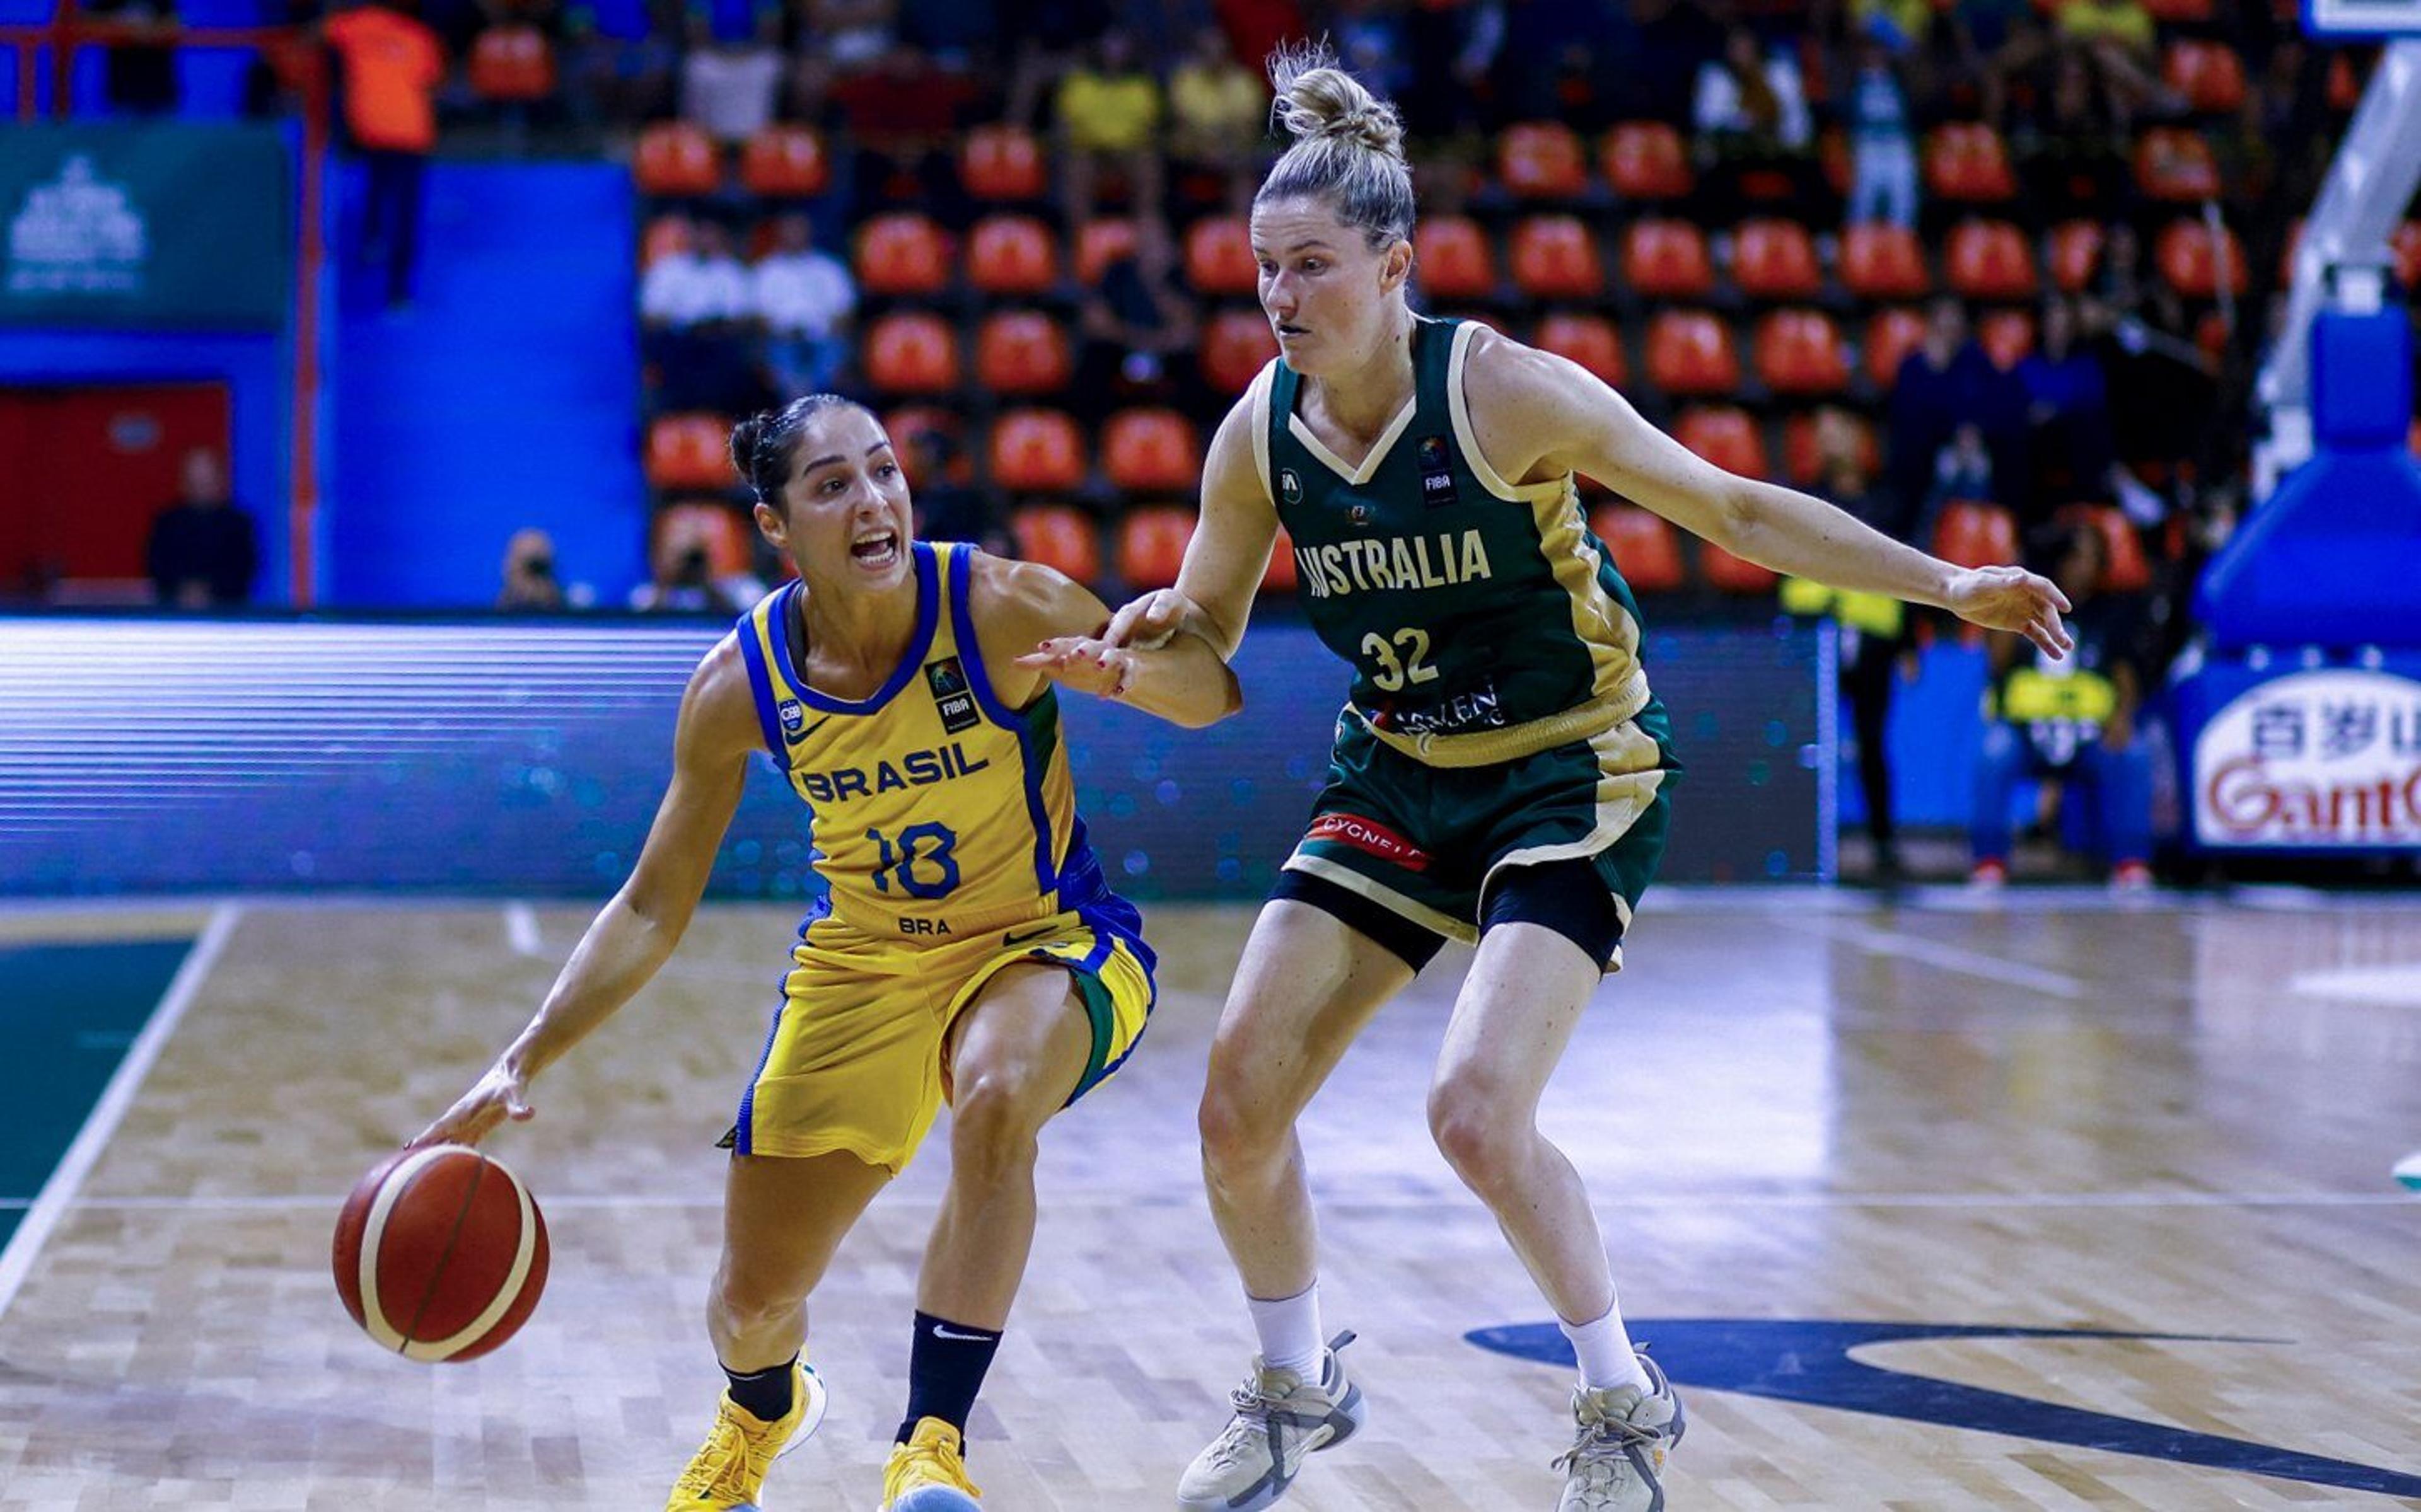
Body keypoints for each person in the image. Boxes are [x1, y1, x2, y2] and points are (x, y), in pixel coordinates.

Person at [1047, 45, 2072, 1512]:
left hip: (1566, 771)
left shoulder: (1505, 393)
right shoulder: (1252, 441)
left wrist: (1944, 578)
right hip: (1396, 775)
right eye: (1264, 270)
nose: (1280, 297)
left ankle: (1620, 1399)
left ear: (1394, 265)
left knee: (1471, 1110)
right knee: (1232, 1107)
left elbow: (1727, 507)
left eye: (1311, 266)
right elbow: (1206, 677)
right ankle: (1292, 1387)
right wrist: (1126, 665)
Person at [414, 395, 1240, 1512]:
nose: (874, 501)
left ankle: (931, 1444)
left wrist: (1131, 671)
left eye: (886, 471)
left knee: (995, 1096)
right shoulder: (735, 683)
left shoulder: (999, 603)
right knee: (751, 1302)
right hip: (862, 965)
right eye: (834, 484)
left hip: (1046, 937)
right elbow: (654, 907)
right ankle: (762, 1409)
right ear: (777, 526)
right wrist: (520, 1057)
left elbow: (1214, 692)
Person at [1970, 521, 2153, 889]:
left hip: (2090, 735)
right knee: (1992, 753)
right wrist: (2009, 607)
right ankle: (1989, 861)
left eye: (2091, 558)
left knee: (2133, 754)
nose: (2083, 566)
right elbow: (1996, 665)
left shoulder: (2111, 612)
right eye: (2076, 557)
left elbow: (2124, 673)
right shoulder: (2027, 603)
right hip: (2025, 732)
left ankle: (2130, 862)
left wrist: (2122, 715)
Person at [323, 0, 444, 310]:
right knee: (405, 209)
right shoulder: (418, 36)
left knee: (383, 186)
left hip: (380, 130)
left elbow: (319, 36)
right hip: (406, 131)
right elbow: (430, 81)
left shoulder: (354, 25)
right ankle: (398, 291)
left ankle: (373, 240)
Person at [146, 448, 259, 608]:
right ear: (183, 483)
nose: (201, 489)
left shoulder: (239, 524)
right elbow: (156, 565)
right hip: (173, 613)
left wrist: (210, 590)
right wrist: (183, 590)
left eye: (206, 482)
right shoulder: (167, 522)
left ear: (220, 481)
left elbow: (244, 567)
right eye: (195, 482)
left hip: (228, 613)